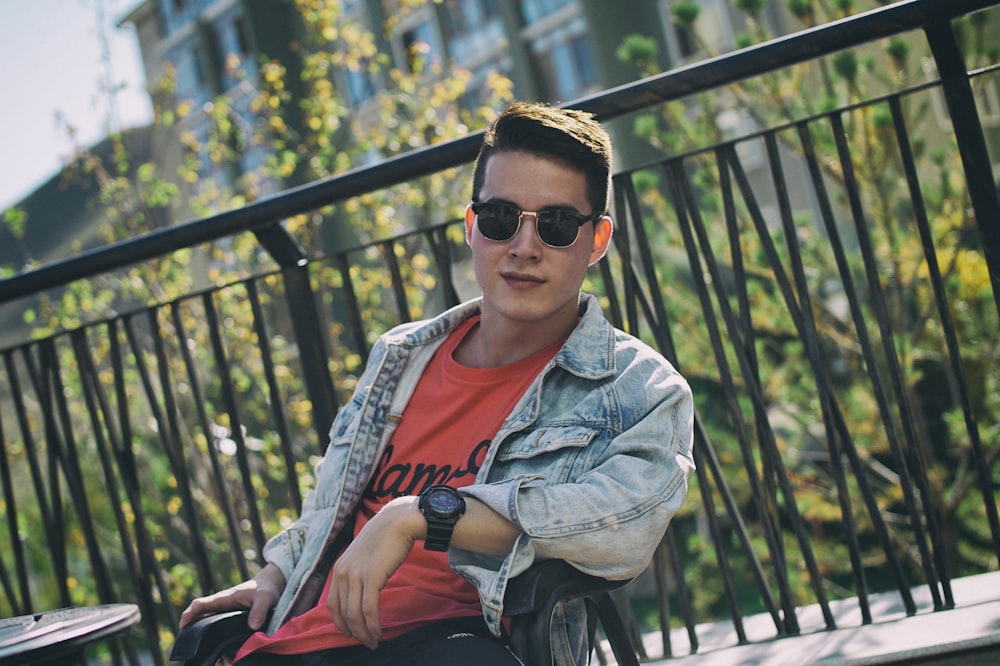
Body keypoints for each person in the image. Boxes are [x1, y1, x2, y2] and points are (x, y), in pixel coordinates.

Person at [178, 101, 695, 665]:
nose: (524, 247)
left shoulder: (638, 390)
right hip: (302, 645)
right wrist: (276, 576)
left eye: (556, 225)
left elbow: (622, 524)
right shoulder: (400, 357)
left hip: (460, 646)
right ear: (472, 228)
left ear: (596, 241)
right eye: (501, 219)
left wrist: (423, 514)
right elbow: (329, 505)